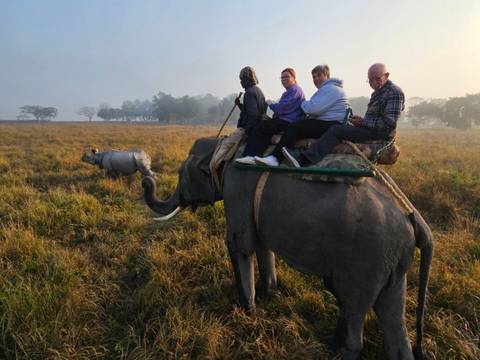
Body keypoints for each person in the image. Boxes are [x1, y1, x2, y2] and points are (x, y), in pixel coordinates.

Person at [282, 63, 405, 167]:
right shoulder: (377, 92)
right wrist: (362, 120)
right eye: (370, 80)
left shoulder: (394, 92)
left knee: (336, 129)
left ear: (387, 76)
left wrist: (363, 122)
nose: (373, 82)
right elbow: (376, 118)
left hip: (380, 133)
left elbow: (389, 123)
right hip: (370, 128)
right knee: (340, 129)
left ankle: (304, 159)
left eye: (377, 78)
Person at [253, 64, 349, 166]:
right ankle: (290, 153)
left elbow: (312, 109)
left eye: (319, 75)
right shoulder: (328, 89)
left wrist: (302, 103)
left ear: (327, 76)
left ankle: (275, 158)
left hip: (331, 124)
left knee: (294, 127)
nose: (316, 79)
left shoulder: (331, 89)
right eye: (314, 77)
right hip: (329, 122)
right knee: (297, 127)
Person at [236, 67, 305, 165]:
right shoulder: (288, 91)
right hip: (285, 120)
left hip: (288, 121)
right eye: (282, 78)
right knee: (265, 128)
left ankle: (250, 155)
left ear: (294, 78)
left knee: (259, 128)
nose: (283, 79)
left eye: (286, 77)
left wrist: (271, 104)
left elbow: (281, 109)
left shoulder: (295, 90)